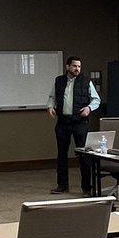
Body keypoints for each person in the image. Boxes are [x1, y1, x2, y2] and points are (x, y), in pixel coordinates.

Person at [47, 56, 100, 195]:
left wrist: (89, 108)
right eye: (74, 66)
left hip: (80, 123)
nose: (77, 69)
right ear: (67, 67)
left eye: (79, 67)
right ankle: (62, 185)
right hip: (63, 122)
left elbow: (96, 99)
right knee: (62, 155)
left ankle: (86, 188)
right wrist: (50, 107)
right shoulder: (59, 81)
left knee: (84, 155)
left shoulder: (86, 81)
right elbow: (52, 97)